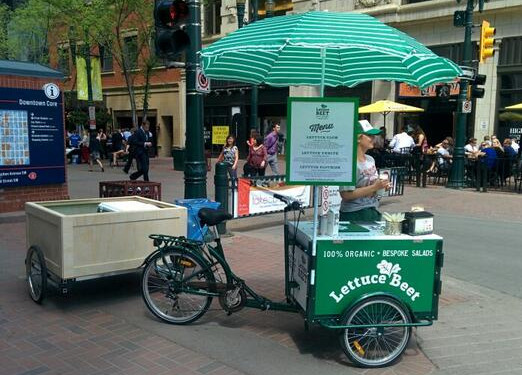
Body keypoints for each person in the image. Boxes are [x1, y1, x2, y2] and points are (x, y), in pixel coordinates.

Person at [339, 121, 391, 222]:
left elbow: (373, 185)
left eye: (373, 136)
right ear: (358, 138)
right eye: (369, 135)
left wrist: (383, 187)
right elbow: (346, 194)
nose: (373, 138)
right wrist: (374, 187)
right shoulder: (349, 162)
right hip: (354, 214)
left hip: (373, 209)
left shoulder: (370, 159)